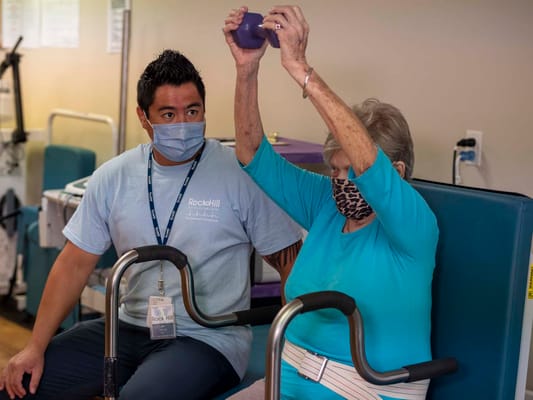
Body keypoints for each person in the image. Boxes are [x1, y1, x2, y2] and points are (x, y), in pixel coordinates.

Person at [0, 49, 302, 400]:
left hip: (208, 337)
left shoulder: (239, 174)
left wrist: (297, 350)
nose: (183, 125)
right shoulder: (114, 177)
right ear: (144, 118)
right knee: (17, 387)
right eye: (168, 114)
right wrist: (35, 346)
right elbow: (73, 264)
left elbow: (290, 260)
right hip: (127, 327)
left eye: (192, 111)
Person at [223, 6, 438, 400]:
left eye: (349, 170)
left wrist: (299, 67)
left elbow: (370, 164)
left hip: (365, 388)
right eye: (334, 169)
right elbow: (253, 154)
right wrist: (247, 69)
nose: (340, 181)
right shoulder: (325, 204)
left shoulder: (413, 224)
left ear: (399, 171)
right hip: (288, 371)